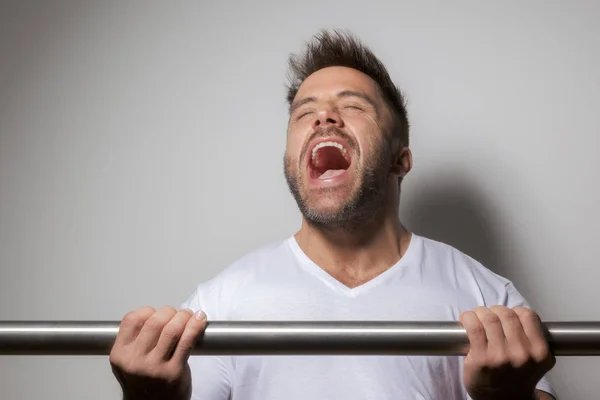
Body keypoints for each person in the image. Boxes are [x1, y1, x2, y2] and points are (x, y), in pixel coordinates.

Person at [109, 30, 557, 400]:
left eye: (353, 106)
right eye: (304, 113)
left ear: (400, 160)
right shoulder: (219, 306)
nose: (324, 118)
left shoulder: (489, 300)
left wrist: (508, 399)